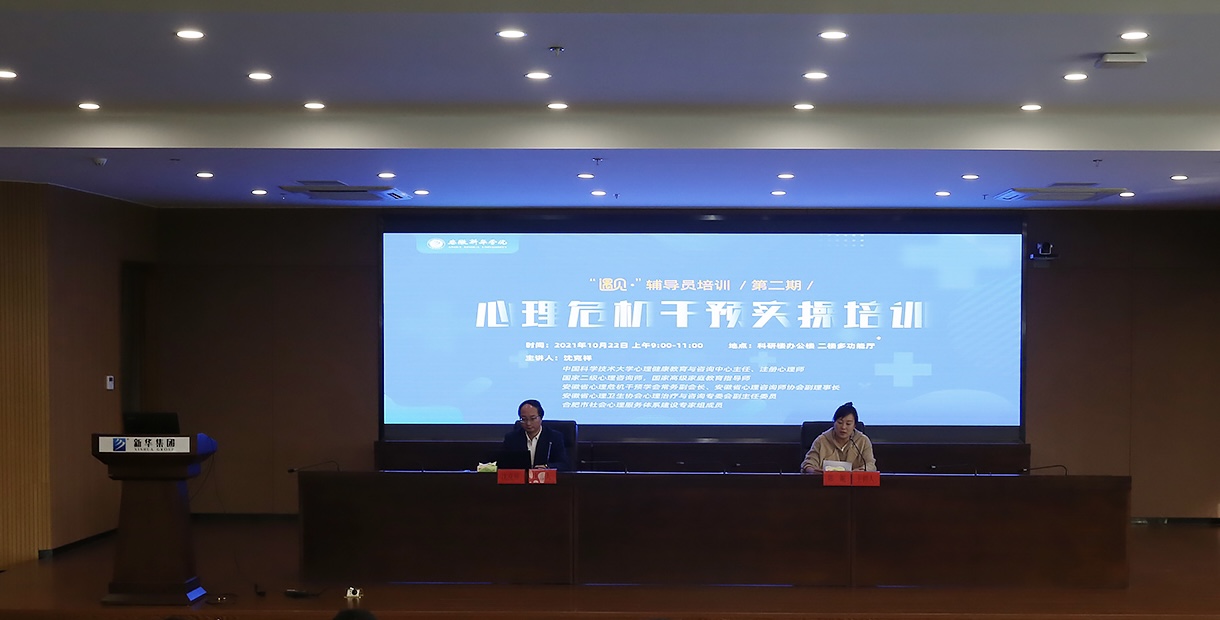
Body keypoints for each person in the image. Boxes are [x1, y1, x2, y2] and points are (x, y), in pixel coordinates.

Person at [800, 401, 876, 473]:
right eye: (840, 422)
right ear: (834, 423)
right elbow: (808, 464)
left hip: (854, 482)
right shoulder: (821, 440)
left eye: (848, 424)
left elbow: (870, 465)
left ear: (854, 425)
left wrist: (862, 471)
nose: (843, 427)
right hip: (825, 481)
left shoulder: (863, 441)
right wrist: (813, 471)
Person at [501, 399, 569, 470]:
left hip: (544, 476)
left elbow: (564, 464)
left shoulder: (554, 437)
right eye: (524, 419)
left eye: (532, 418)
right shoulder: (512, 438)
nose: (528, 423)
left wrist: (547, 467)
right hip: (521, 476)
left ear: (541, 418)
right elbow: (504, 463)